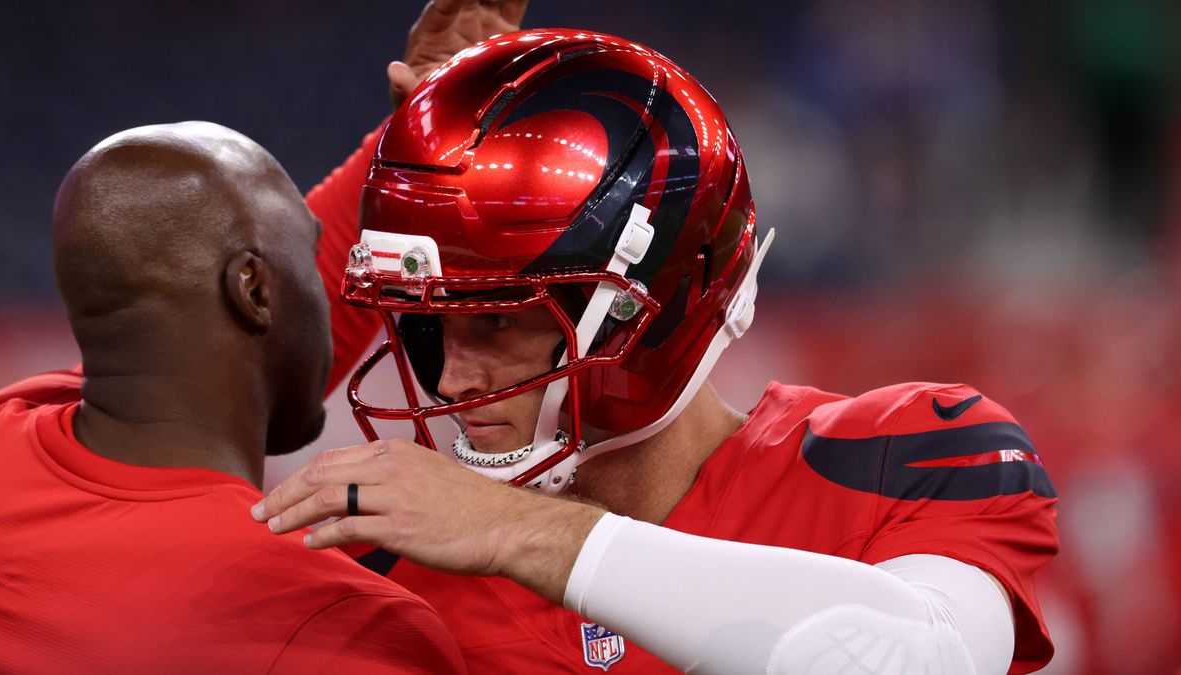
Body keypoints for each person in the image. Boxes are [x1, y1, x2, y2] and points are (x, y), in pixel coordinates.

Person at [259, 19, 1059, 675]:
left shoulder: (905, 459)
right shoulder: (373, 564)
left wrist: (522, 531)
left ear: (667, 302)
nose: (450, 377)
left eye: (498, 321)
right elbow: (170, 400)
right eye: (430, 327)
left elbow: (925, 657)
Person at [0, 122, 466, 673]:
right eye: (310, 258)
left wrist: (412, 132)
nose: (331, 284)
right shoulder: (336, 625)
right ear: (255, 290)